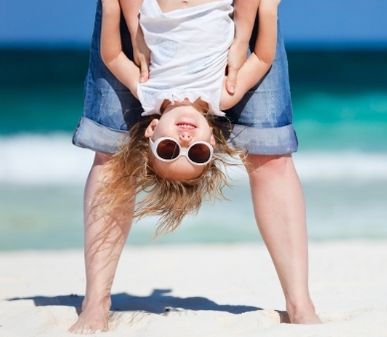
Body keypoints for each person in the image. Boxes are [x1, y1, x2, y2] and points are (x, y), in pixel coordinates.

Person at [70, 0, 320, 333]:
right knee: (109, 154)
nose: (185, 142)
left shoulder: (146, 90)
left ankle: (299, 303)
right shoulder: (223, 95)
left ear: (151, 130)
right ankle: (96, 302)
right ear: (213, 143)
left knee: (270, 158)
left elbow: (113, 55)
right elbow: (261, 58)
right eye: (198, 153)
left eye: (169, 149)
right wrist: (253, 26)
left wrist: (131, 21)